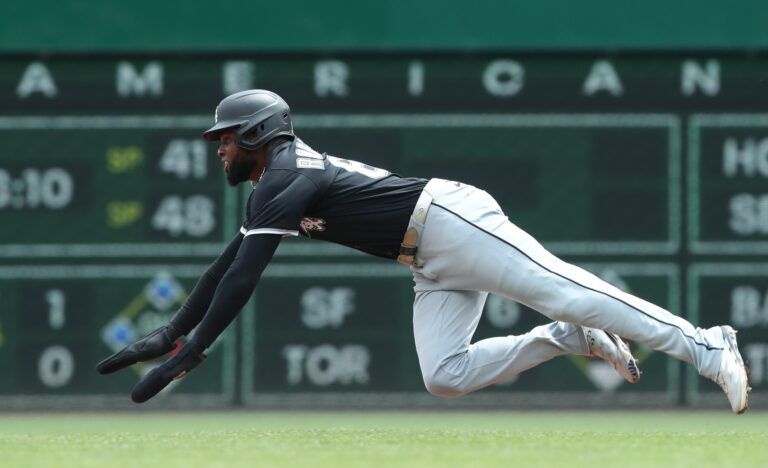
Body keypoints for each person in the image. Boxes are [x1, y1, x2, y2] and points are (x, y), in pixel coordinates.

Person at [97, 89, 749, 413]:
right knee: (446, 376)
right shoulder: (272, 182)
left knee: (571, 287)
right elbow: (224, 267)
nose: (220, 149)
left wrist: (195, 348)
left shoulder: (290, 176)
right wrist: (173, 332)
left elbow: (244, 277)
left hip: (450, 221)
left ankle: (706, 344)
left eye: (228, 138)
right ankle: (564, 339)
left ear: (260, 133)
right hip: (426, 261)